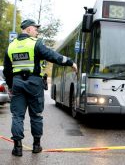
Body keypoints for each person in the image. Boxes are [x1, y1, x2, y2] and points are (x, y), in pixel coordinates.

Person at [3, 19, 78, 157]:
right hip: (34, 83)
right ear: (28, 29)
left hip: (17, 83)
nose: (37, 32)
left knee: (17, 116)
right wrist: (70, 62)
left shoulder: (11, 46)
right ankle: (36, 146)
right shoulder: (35, 44)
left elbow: (7, 71)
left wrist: (11, 85)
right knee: (36, 115)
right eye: (35, 29)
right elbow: (53, 56)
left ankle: (17, 148)